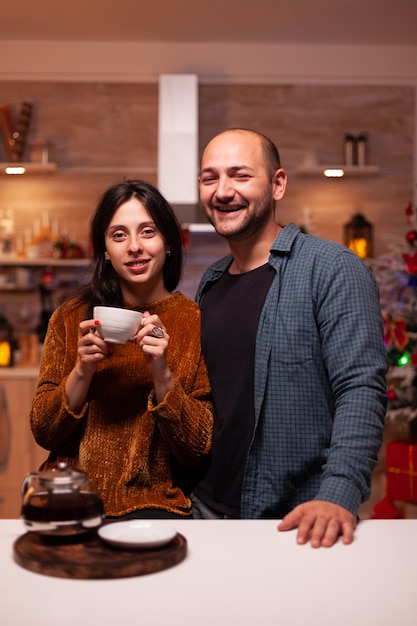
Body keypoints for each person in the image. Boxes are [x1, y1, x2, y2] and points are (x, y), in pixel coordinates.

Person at [192, 128, 388, 547]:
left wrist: (339, 494)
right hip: (205, 509)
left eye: (240, 175)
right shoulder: (210, 284)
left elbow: (360, 388)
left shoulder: (332, 268)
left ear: (278, 184)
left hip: (297, 520)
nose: (223, 191)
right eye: (210, 178)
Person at [30, 179, 212, 519]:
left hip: (152, 505)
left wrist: (162, 373)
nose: (134, 247)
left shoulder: (192, 320)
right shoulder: (71, 316)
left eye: (147, 232)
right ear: (104, 250)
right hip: (70, 498)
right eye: (119, 235)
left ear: (169, 242)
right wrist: (83, 371)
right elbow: (44, 431)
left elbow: (197, 449)